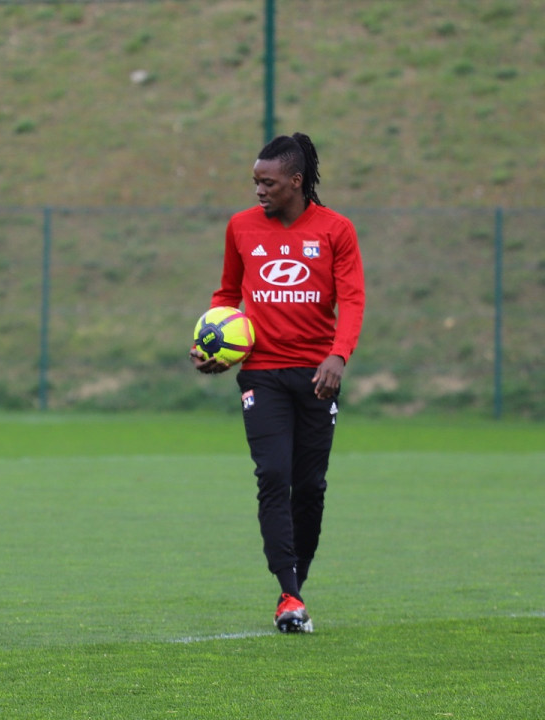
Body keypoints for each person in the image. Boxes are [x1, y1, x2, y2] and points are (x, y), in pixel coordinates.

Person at [191, 133, 364, 633]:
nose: (258, 190)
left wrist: (338, 355)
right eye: (255, 181)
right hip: (261, 373)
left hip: (317, 377)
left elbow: (353, 300)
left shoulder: (336, 230)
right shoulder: (241, 227)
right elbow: (227, 294)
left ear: (295, 181)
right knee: (272, 475)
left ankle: (295, 589)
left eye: (267, 182)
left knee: (309, 487)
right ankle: (288, 593)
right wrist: (212, 344)